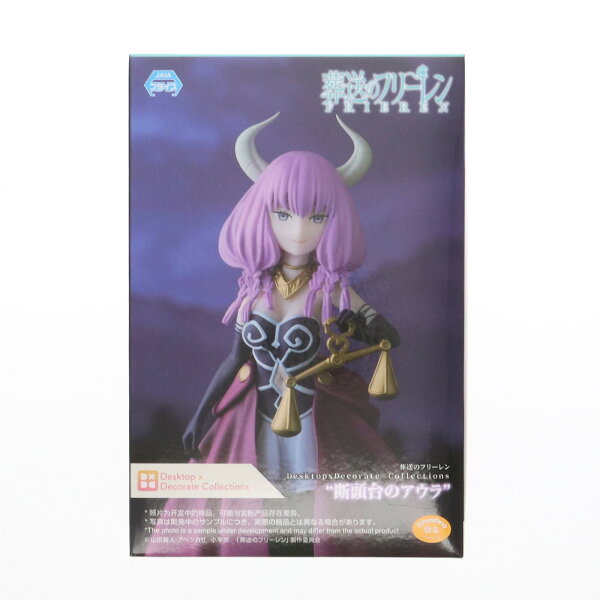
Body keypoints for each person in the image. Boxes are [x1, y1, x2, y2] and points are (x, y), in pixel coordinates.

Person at [146, 115, 401, 557]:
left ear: (334, 221)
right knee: (255, 510)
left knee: (314, 515)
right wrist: (201, 414)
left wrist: (365, 326)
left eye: (317, 216)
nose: (299, 230)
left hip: (312, 419)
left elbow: (385, 332)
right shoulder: (255, 289)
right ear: (262, 213)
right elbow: (235, 359)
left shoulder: (330, 289)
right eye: (283, 214)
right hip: (257, 417)